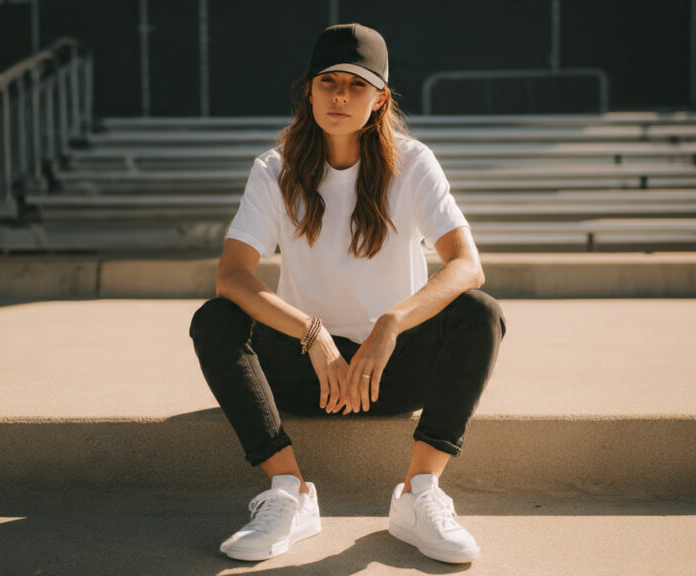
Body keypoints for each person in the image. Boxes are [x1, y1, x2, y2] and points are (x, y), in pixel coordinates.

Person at [189, 23, 505, 564]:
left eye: (357, 85)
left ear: (380, 98)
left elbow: (466, 266)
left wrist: (392, 323)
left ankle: (419, 494)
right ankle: (287, 492)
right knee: (215, 319)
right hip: (307, 373)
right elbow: (233, 276)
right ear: (308, 89)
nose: (340, 95)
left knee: (479, 313)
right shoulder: (275, 169)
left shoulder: (412, 162)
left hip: (391, 372)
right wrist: (312, 335)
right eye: (329, 81)